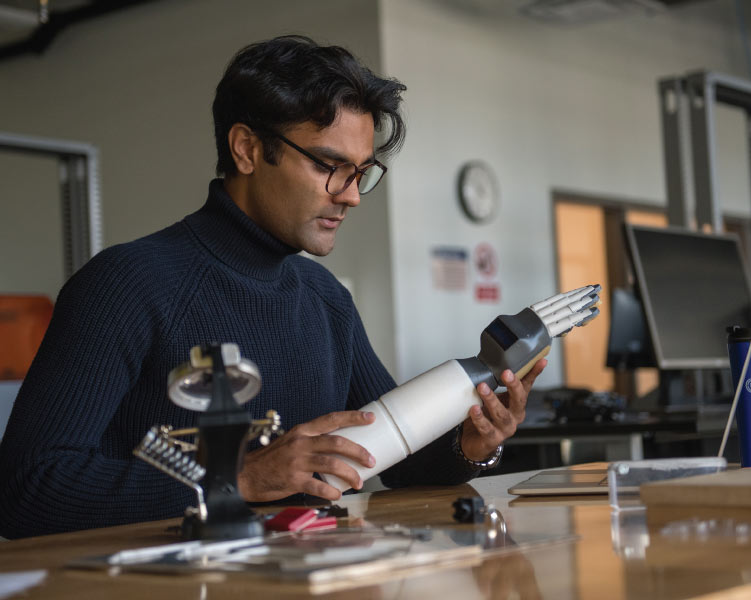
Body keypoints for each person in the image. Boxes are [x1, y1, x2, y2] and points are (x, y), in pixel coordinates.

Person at [0, 35, 545, 539]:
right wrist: (236, 478)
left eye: (361, 173)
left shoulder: (326, 300)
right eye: (331, 166)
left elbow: (396, 465)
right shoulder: (125, 285)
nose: (351, 196)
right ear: (247, 149)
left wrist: (472, 446)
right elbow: (25, 490)